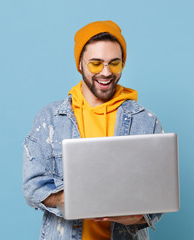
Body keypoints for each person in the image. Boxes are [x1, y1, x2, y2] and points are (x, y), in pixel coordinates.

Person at [22, 20, 164, 240]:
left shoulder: (145, 121)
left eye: (114, 63)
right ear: (79, 64)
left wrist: (136, 217)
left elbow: (160, 196)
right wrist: (73, 199)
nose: (106, 73)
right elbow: (33, 188)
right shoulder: (49, 119)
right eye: (96, 64)